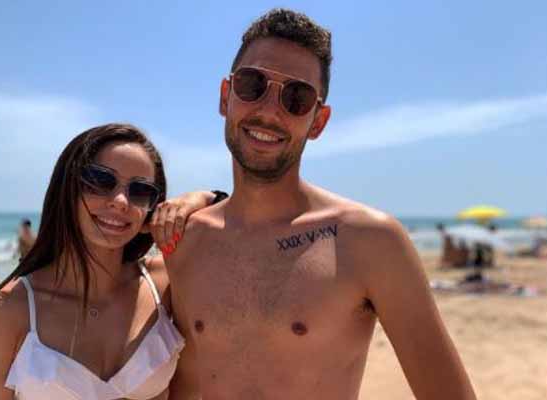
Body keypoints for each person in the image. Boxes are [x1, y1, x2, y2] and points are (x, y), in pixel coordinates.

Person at [160, 9, 477, 400]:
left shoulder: (370, 242)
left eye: (296, 98)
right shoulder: (185, 241)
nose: (269, 110)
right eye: (252, 84)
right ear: (226, 96)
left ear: (318, 121)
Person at [0, 123, 216, 399]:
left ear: (152, 207)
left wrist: (205, 199)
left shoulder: (167, 285)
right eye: (100, 180)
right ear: (68, 188)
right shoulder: (7, 313)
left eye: (140, 191)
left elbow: (238, 250)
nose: (121, 201)